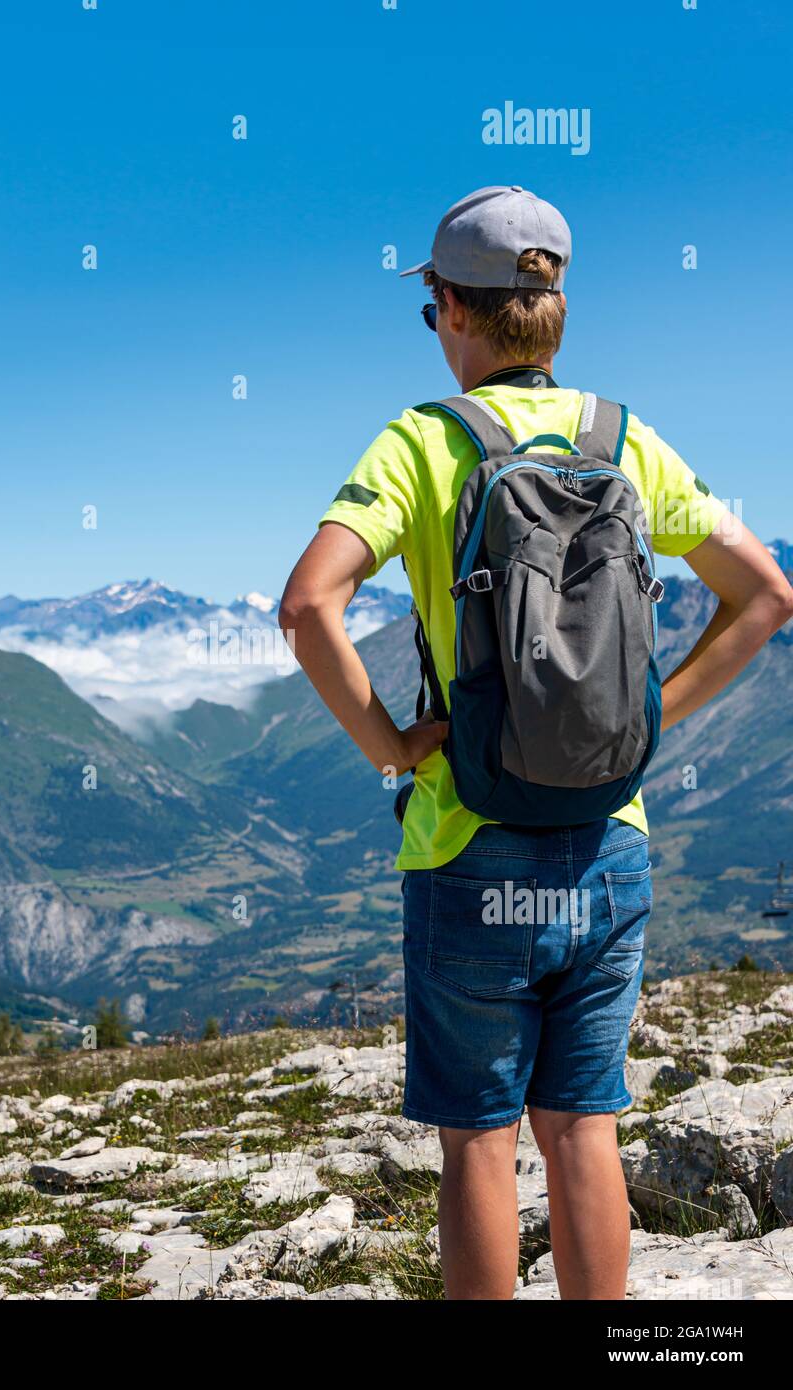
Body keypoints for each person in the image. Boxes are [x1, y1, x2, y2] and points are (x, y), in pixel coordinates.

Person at [278, 185, 793, 1300]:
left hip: (469, 839)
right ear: (550, 313)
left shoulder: (424, 441)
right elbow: (765, 596)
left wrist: (395, 746)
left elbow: (308, 606)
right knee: (582, 1126)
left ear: (456, 313)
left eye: (431, 313)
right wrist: (651, 714)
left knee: (478, 1137)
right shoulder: (624, 437)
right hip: (611, 835)